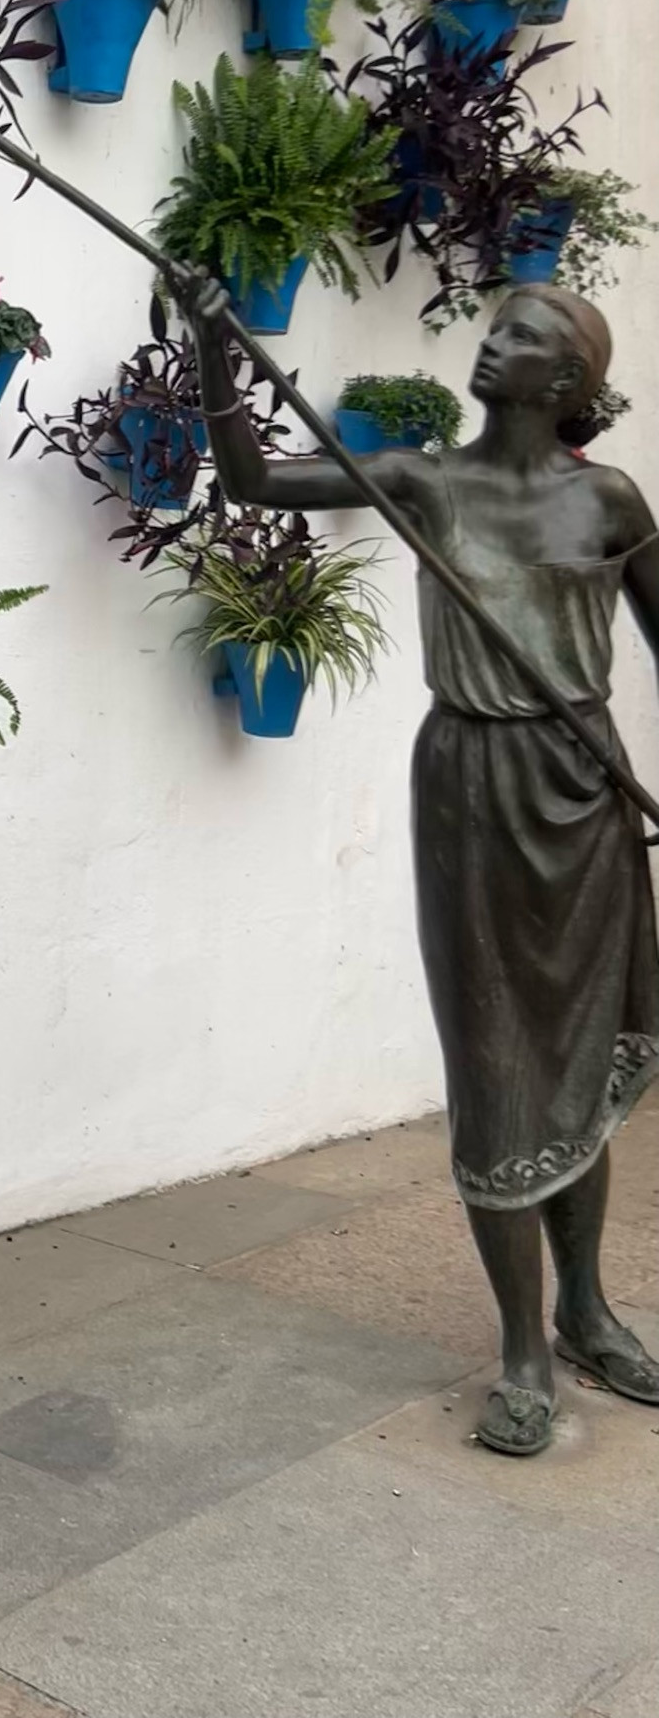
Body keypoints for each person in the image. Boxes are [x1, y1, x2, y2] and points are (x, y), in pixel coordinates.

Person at [186, 274, 659, 1458]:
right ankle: (522, 1350)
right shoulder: (423, 479)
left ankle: (588, 1307)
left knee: (577, 1060)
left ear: (568, 382)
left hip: (586, 792)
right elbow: (253, 482)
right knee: (497, 1065)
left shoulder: (610, 500)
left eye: (522, 338)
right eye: (494, 328)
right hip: (472, 788)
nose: (492, 345)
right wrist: (211, 346)